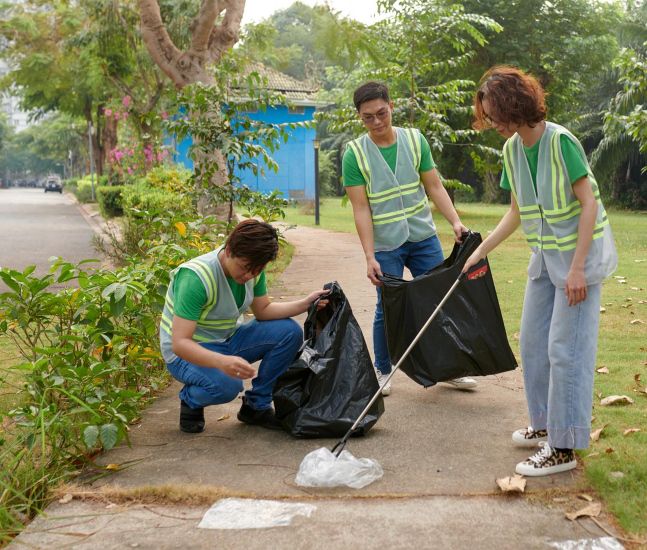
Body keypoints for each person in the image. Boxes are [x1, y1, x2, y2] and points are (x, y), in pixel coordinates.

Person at [462, 67, 617, 477]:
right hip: (545, 261)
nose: (492, 122)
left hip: (579, 263)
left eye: (495, 114)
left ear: (515, 104)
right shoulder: (512, 150)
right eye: (488, 116)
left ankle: (563, 448)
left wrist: (578, 269)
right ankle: (545, 424)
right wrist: (480, 251)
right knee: (532, 343)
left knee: (565, 350)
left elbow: (588, 204)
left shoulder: (561, 142)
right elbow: (516, 211)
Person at [343, 81, 476, 395]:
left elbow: (434, 186)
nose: (377, 122)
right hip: (385, 244)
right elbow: (360, 208)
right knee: (387, 308)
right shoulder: (355, 154)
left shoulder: (415, 140)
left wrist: (455, 221)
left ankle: (449, 367)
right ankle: (382, 370)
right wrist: (369, 256)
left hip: (423, 237)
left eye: (381, 113)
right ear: (360, 117)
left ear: (391, 106)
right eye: (368, 117)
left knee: (439, 301)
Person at [160, 219, 329, 433]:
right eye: (245, 268)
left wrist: (305, 304)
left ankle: (256, 406)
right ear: (228, 250)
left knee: (289, 332)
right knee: (227, 386)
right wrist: (222, 362)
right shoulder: (195, 278)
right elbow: (180, 343)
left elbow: (263, 310)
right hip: (185, 353)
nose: (249, 276)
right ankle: (191, 399)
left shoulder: (254, 267)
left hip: (228, 340)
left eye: (256, 271)